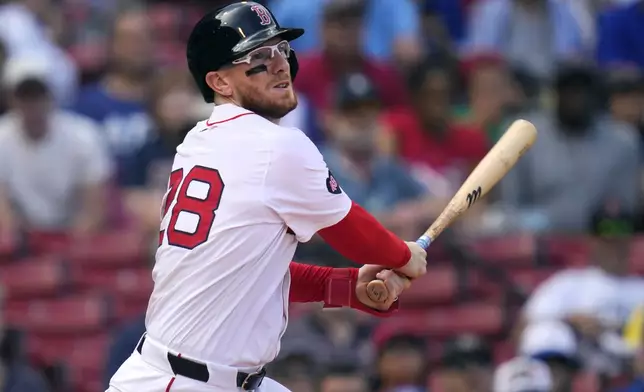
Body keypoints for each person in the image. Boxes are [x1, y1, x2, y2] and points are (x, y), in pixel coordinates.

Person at [106, 3, 427, 392]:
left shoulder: (198, 141)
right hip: (189, 383)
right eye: (258, 58)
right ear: (220, 83)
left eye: (281, 51)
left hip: (188, 374)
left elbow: (246, 269)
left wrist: (344, 287)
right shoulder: (278, 145)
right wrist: (405, 257)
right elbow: (352, 233)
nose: (279, 65)